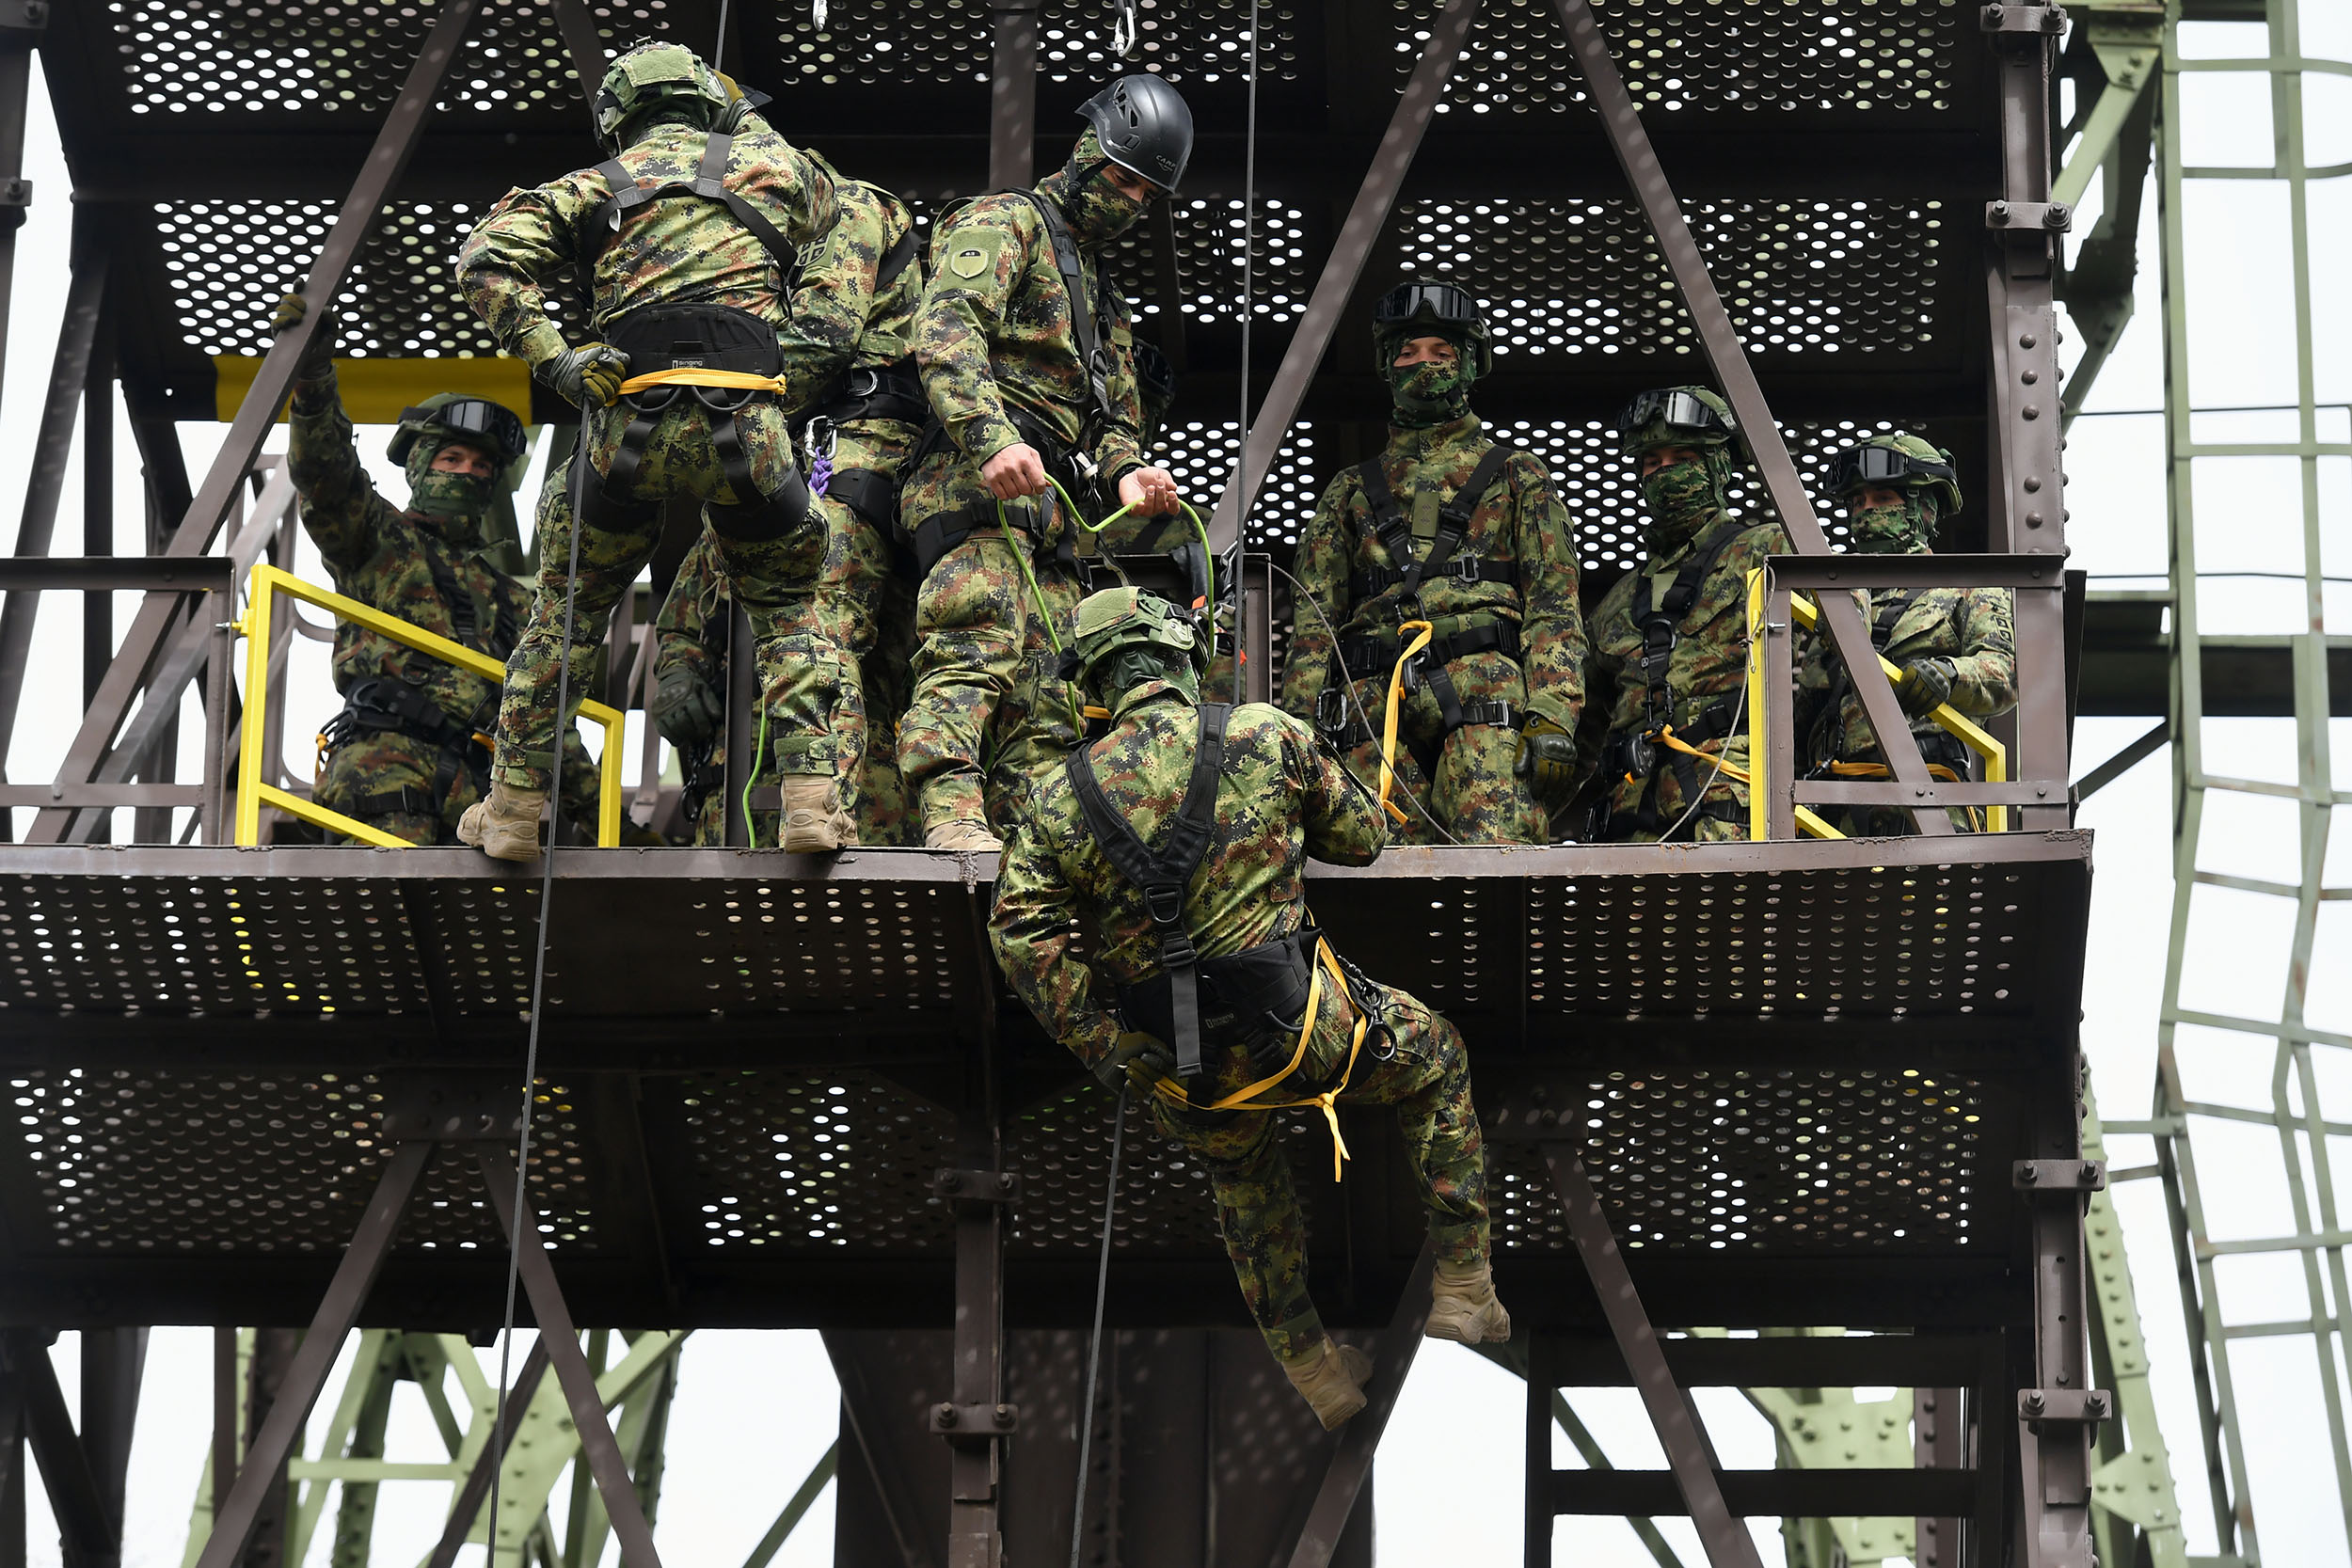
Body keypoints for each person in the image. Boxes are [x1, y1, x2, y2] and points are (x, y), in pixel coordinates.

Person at [990, 586, 1509, 1431]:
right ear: (1178, 653)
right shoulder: (1264, 732)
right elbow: (1363, 838)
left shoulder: (1055, 796)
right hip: (1306, 1031)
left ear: (1095, 681)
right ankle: (1465, 1281)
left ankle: (1314, 1370)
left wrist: (1101, 1041)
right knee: (1437, 1054)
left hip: (1184, 1071)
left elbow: (1018, 931)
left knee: (1242, 1181)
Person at [454, 40, 843, 859]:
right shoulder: (777, 170)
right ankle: (811, 801)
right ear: (707, 101)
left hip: (625, 427)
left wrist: (560, 361)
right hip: (749, 424)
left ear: (615, 117)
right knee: (788, 606)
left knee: (566, 614)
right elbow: (831, 221)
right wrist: (739, 119)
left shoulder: (593, 187)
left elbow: (484, 259)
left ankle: (515, 809)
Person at [898, 74, 1191, 852]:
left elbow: (1115, 419)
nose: (1130, 201)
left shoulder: (1103, 298)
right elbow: (947, 328)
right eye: (1123, 179)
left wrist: (1129, 472)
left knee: (1053, 690)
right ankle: (949, 810)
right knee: (974, 640)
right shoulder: (1007, 221)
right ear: (1089, 151)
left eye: (1146, 194)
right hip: (977, 485)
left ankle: (1035, 842)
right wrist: (991, 438)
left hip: (1055, 514)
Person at [646, 150, 929, 846]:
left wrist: (714, 399)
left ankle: (820, 799)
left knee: (820, 623)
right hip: (736, 791)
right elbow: (688, 602)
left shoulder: (850, 209)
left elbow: (821, 341)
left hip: (858, 450)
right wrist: (677, 673)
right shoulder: (761, 249)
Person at [274, 302, 598, 847]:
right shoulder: (378, 540)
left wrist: (617, 826)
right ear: (421, 466)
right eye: (452, 459)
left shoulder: (515, 602)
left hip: (473, 794)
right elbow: (324, 474)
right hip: (385, 764)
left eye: (481, 466)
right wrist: (313, 377)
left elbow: (548, 723)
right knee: (388, 897)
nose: (467, 473)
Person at [1278, 278, 1584, 845]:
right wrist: (1297, 736)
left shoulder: (1518, 475)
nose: (1425, 363)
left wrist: (1552, 709)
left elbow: (1554, 604)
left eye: (1442, 351)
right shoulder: (1348, 491)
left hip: (1485, 689)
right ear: (1386, 367)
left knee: (1497, 858)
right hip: (1371, 703)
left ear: (1470, 364)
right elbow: (1313, 630)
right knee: (1368, 867)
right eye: (1409, 352)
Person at [1577, 386, 1790, 842]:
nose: (1665, 472)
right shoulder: (1616, 602)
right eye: (1652, 462)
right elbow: (1580, 725)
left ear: (1718, 466)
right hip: (1630, 820)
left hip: (1726, 802)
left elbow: (1843, 640)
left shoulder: (1768, 549)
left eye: (1682, 458)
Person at [1798, 432, 2016, 834]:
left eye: (1882, 499)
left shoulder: (1966, 590)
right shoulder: (1828, 598)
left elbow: (2004, 672)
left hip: (1927, 804)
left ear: (1923, 508)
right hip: (1828, 812)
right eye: (1858, 502)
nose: (1866, 511)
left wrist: (1949, 674)